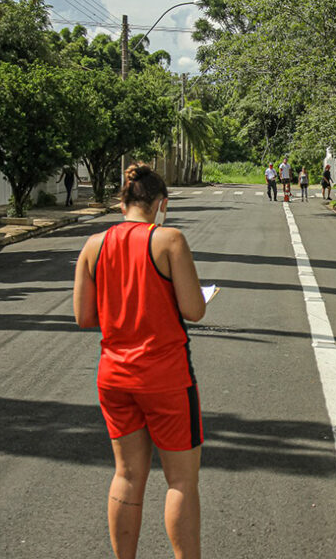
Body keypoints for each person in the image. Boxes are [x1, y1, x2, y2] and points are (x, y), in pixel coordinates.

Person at [73, 163, 206, 559]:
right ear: (160, 204)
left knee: (127, 475)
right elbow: (194, 309)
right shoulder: (169, 241)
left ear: (122, 202)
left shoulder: (93, 246)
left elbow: (84, 317)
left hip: (114, 377)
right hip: (166, 378)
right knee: (181, 481)